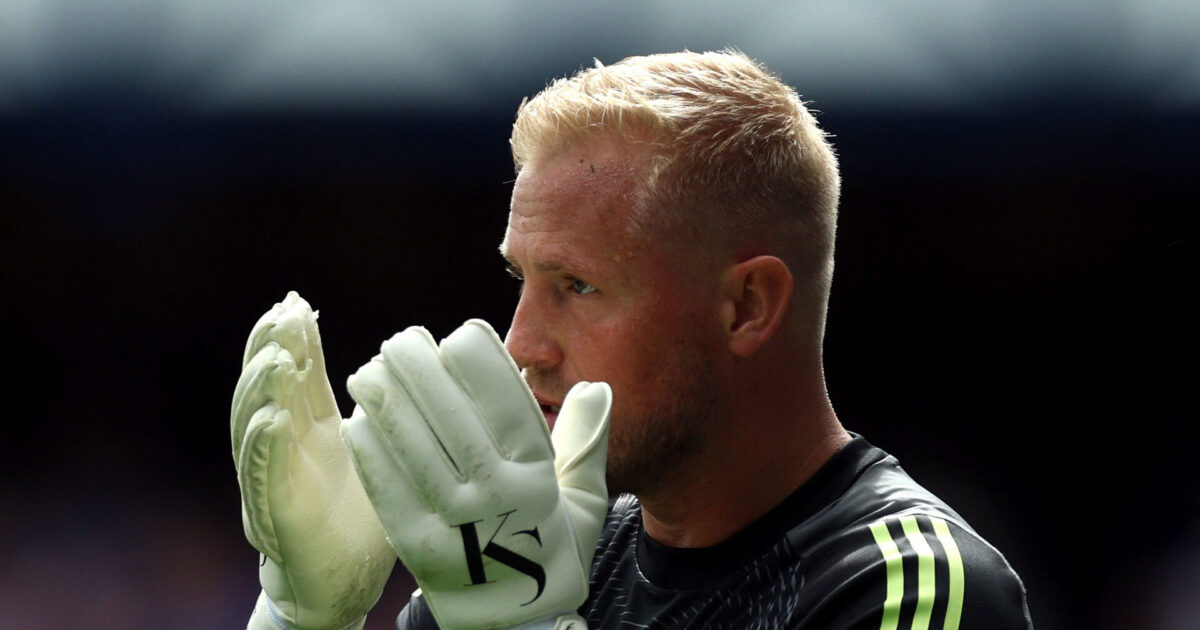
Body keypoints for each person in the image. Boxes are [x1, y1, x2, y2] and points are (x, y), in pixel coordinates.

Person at [231, 50, 1034, 630]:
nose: (522, 346)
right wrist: (302, 617)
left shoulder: (909, 584)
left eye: (577, 287)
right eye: (524, 283)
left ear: (747, 307)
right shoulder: (534, 556)